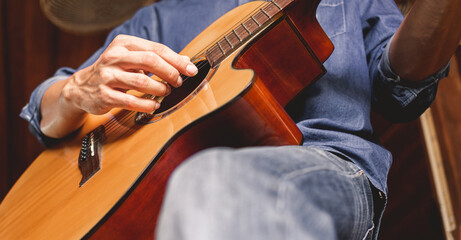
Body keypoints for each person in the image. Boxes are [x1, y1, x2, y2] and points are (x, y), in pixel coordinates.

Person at [20, 0, 460, 239]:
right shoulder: (160, 15)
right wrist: (77, 90)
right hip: (153, 190)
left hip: (326, 164)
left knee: (212, 181)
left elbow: (402, 91)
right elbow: (46, 113)